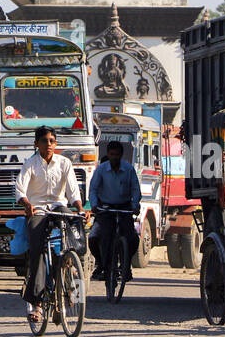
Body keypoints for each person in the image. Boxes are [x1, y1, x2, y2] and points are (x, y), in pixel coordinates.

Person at [16, 126, 85, 325]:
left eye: (52, 141)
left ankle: (71, 267)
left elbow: (73, 192)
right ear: (36, 143)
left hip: (58, 207)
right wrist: (27, 205)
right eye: (45, 141)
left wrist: (79, 209)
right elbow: (20, 190)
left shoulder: (64, 163)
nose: (49, 145)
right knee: (38, 253)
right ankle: (36, 303)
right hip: (37, 210)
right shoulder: (30, 163)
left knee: (74, 225)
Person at [87, 140, 141, 283]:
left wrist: (135, 205)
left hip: (124, 207)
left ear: (121, 155)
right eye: (112, 154)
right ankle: (105, 266)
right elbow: (93, 189)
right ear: (108, 154)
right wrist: (94, 204)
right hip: (106, 209)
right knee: (103, 238)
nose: (114, 157)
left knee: (132, 238)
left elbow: (135, 189)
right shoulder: (101, 169)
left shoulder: (129, 169)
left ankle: (126, 265)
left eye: (117, 154)